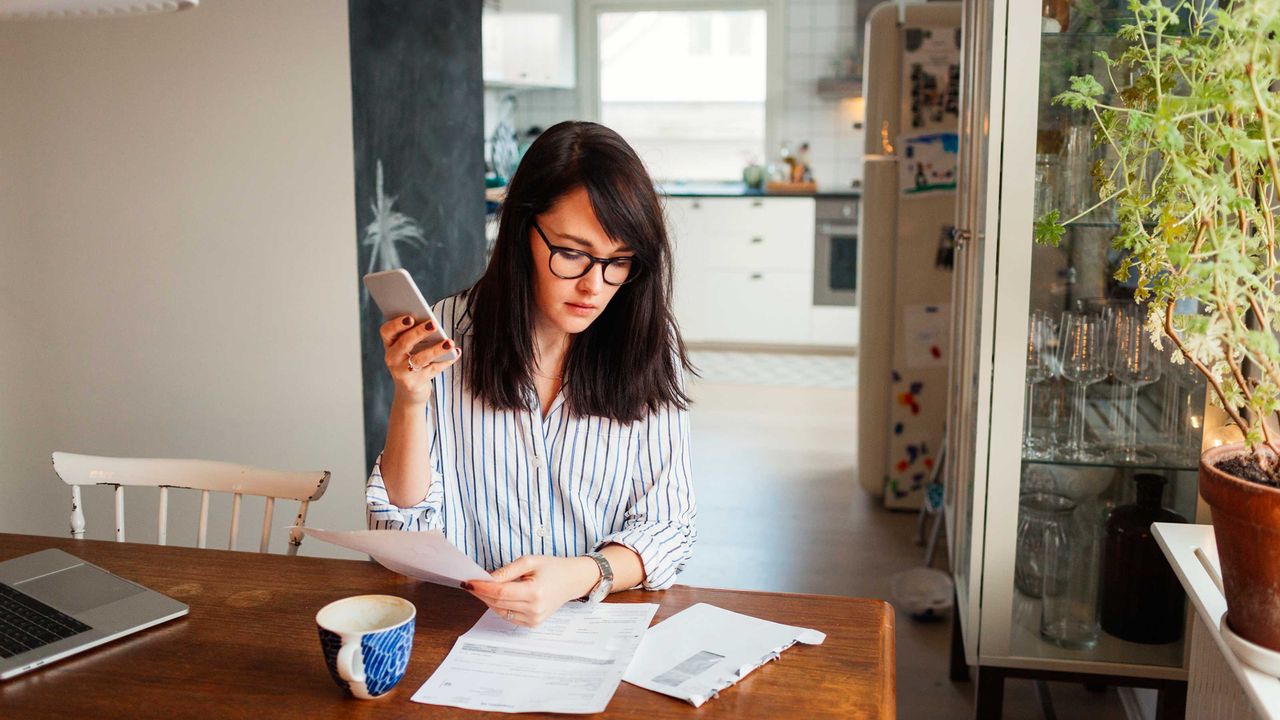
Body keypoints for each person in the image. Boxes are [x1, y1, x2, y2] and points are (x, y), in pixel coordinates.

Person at [366, 121, 696, 628]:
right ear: (522, 231)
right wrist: (410, 399)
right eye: (572, 253)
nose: (594, 286)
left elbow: (669, 526)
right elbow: (398, 530)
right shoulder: (451, 332)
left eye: (619, 261)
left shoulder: (647, 345)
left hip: (599, 622)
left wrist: (581, 574)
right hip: (465, 625)